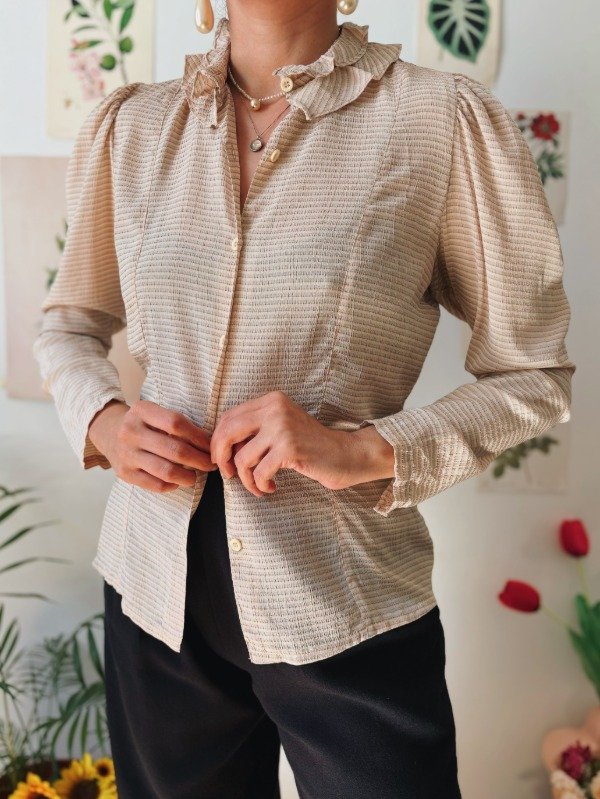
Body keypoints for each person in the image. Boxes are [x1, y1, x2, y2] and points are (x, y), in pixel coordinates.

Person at [32, 0, 576, 796]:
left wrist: (364, 449)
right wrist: (106, 423)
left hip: (343, 600)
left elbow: (533, 374)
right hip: (153, 594)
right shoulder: (136, 127)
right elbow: (68, 324)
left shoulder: (439, 122)